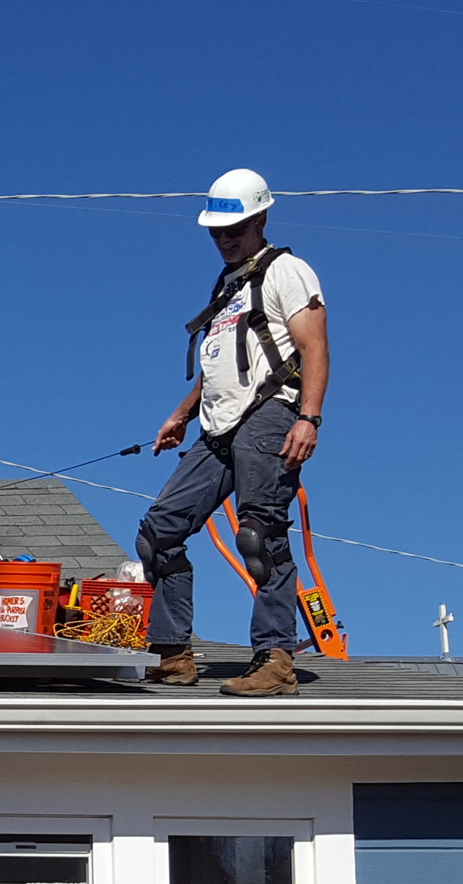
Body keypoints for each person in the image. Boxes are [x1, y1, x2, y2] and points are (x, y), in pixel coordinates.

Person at [132, 168, 331, 698]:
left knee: (259, 536)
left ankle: (275, 661)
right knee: (158, 534)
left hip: (271, 416)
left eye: (234, 230)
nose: (224, 240)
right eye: (217, 233)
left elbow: (313, 346)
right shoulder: (229, 286)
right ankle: (174, 654)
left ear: (261, 218)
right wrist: (181, 414)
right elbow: (219, 369)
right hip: (218, 426)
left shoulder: (288, 271)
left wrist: (309, 417)